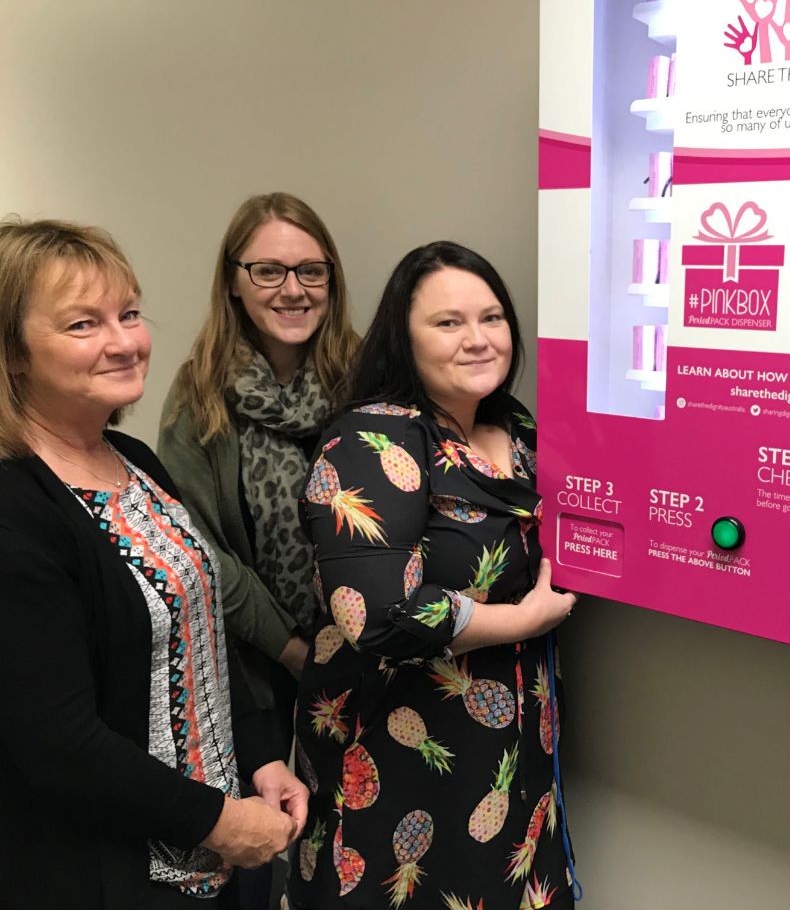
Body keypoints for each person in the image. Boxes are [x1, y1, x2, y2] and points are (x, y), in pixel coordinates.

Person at [0, 218, 308, 908]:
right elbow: (59, 743)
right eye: (84, 324)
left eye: (129, 314)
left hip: (206, 851)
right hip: (99, 871)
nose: (123, 341)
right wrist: (222, 822)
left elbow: (198, 620)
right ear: (13, 353)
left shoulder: (134, 462)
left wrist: (259, 755)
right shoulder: (16, 508)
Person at [286, 241, 577, 910]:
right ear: (404, 338)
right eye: (447, 323)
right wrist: (526, 620)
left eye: (492, 317)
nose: (477, 339)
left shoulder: (518, 429)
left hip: (510, 747)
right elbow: (378, 616)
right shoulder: (372, 440)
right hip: (398, 755)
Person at [159, 193, 359, 794]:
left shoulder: (365, 379)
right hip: (251, 670)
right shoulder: (199, 394)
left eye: (311, 271)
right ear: (234, 283)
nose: (292, 289)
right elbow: (195, 547)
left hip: (367, 660)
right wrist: (294, 648)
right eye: (268, 271)